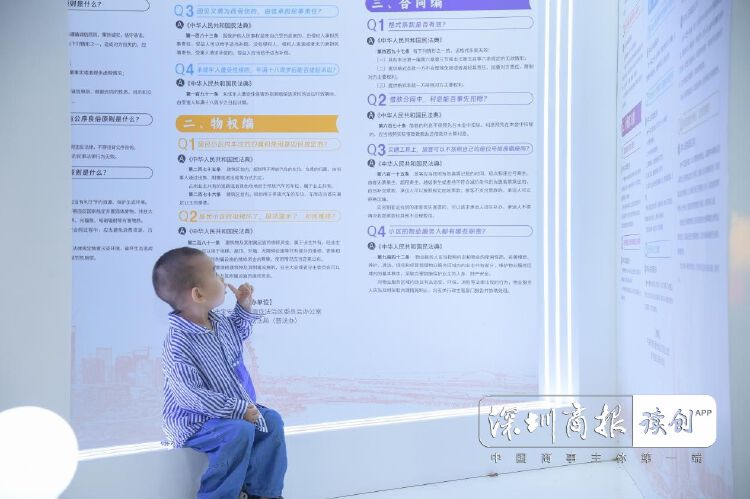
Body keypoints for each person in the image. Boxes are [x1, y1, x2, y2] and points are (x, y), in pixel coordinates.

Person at [152, 246, 287, 499]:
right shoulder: (178, 343)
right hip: (196, 421)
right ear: (199, 294)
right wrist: (238, 409)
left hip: (234, 410)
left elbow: (239, 333)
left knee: (272, 421)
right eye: (215, 273)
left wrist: (243, 307)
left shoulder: (219, 322)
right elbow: (191, 395)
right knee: (238, 432)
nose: (222, 278)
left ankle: (263, 493)